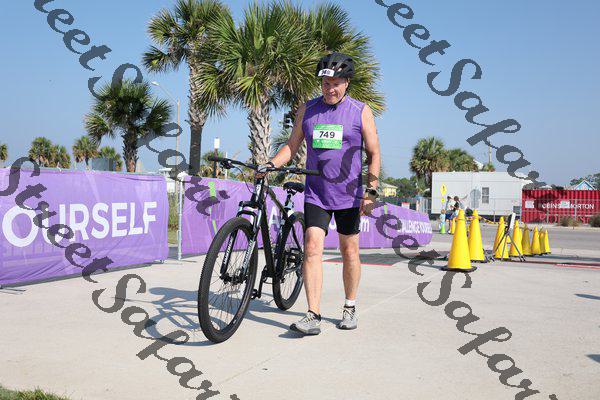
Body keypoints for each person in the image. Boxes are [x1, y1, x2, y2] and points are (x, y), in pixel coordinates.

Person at [258, 52, 381, 335]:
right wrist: (271, 164)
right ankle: (312, 314)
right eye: (326, 83)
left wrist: (371, 191)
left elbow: (374, 153)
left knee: (349, 250)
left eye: (336, 84)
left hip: (349, 194)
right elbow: (291, 146)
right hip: (317, 193)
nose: (330, 89)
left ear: (346, 83)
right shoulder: (308, 109)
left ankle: (349, 306)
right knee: (312, 246)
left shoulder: (360, 111)